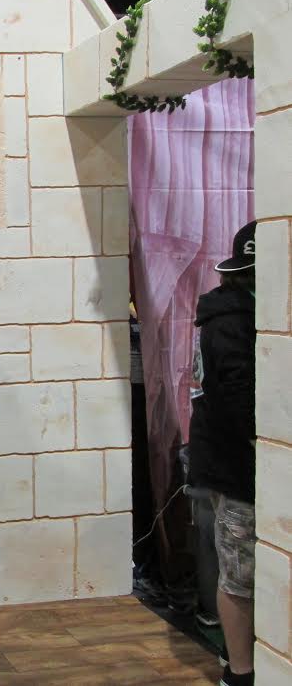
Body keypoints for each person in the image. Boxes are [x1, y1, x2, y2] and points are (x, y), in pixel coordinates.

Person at [189, 220, 257, 686]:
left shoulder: (230, 315)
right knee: (240, 571)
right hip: (237, 465)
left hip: (236, 460)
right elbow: (239, 399)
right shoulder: (230, 321)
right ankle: (241, 672)